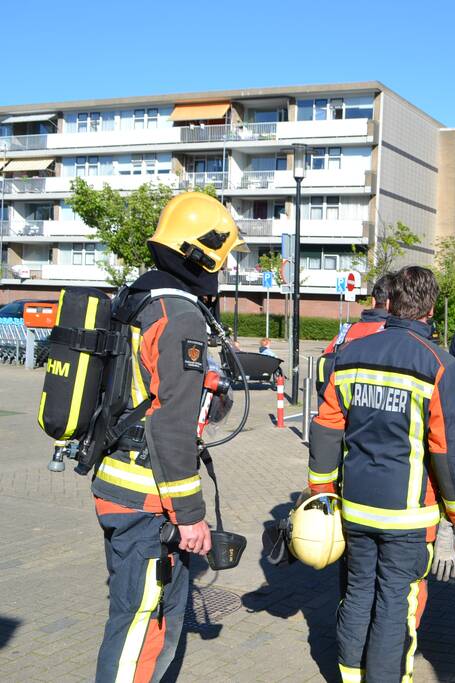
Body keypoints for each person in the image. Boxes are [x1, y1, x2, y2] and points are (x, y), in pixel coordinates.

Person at [91, 192, 245, 682]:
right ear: (202, 254)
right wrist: (191, 517)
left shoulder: (137, 299)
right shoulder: (179, 317)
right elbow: (170, 424)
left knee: (142, 618)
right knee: (141, 627)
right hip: (148, 498)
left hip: (121, 484)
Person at [307, 265, 455, 682]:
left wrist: (322, 490)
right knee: (394, 604)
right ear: (431, 308)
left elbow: (327, 425)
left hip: (356, 508)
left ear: (391, 302)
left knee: (359, 592)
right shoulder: (439, 363)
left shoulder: (351, 354)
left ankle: (349, 675)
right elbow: (446, 448)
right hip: (408, 516)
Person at [317, 273, 392, 393]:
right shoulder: (393, 335)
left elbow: (325, 362)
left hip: (337, 404)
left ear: (373, 301)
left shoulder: (346, 331)